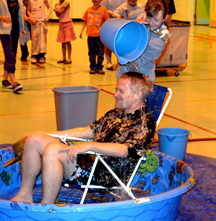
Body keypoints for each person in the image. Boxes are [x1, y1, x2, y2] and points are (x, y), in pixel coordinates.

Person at [11, 71, 156, 204]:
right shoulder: (116, 113)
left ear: (137, 94)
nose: (115, 94)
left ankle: (47, 206)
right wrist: (46, 134)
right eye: (116, 90)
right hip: (90, 160)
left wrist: (90, 146)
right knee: (34, 139)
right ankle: (24, 195)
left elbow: (126, 150)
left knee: (53, 150)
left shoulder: (145, 123)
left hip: (104, 173)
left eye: (121, 91)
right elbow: (88, 131)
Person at [115, 0, 170, 83]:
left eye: (156, 20)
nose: (151, 22)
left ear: (164, 18)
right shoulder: (143, 22)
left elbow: (135, 63)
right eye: (149, 17)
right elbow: (130, 15)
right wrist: (140, 13)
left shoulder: (159, 41)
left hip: (140, 81)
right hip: (123, 74)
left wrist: (122, 54)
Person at [79, 0, 109, 75]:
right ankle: (92, 67)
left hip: (100, 35)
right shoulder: (88, 10)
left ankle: (99, 67)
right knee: (91, 52)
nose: (96, 1)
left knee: (100, 52)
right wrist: (81, 30)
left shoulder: (103, 10)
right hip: (90, 35)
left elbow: (107, 21)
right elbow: (85, 21)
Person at [0, 0, 23, 93]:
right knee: (10, 55)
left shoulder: (18, 0)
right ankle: (14, 82)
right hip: (4, 30)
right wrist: (2, 18)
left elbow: (20, 13)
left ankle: (5, 80)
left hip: (15, 29)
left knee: (11, 53)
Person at [101, 0, 126, 70]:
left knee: (120, 42)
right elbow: (101, 8)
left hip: (122, 21)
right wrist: (112, 13)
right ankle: (109, 62)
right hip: (109, 21)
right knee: (108, 42)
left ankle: (119, 62)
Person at [27, 0, 50, 64]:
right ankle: (34, 55)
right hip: (34, 22)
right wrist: (31, 17)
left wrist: (47, 16)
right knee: (34, 39)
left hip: (42, 22)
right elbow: (28, 10)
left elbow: (49, 8)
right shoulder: (30, 1)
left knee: (42, 39)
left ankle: (41, 55)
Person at [53, 0, 77, 64]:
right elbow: (58, 15)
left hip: (67, 23)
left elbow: (60, 11)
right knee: (63, 41)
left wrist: (55, 10)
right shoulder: (57, 4)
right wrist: (56, 11)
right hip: (61, 24)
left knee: (68, 41)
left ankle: (69, 58)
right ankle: (64, 58)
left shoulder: (66, 3)